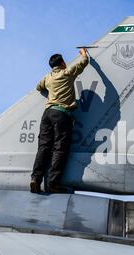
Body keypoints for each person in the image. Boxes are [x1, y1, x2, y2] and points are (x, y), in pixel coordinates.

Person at [30, 48, 89, 193]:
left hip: (47, 114)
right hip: (62, 114)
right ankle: (53, 183)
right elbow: (84, 62)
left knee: (43, 147)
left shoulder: (48, 77)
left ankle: (35, 179)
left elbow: (38, 87)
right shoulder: (67, 73)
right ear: (62, 63)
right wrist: (83, 53)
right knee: (60, 148)